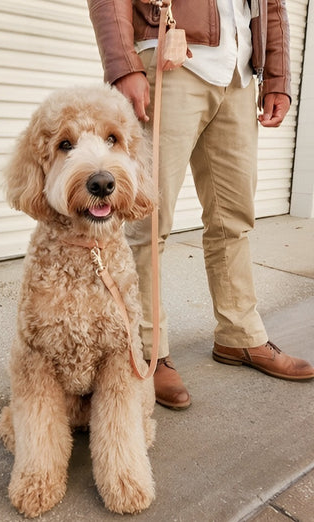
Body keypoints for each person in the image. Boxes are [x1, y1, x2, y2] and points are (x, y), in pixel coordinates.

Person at [87, 0, 314, 409]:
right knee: (148, 219)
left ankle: (238, 335)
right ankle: (148, 349)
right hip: (171, 62)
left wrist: (278, 75)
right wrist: (123, 65)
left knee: (235, 218)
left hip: (239, 70)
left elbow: (274, 4)